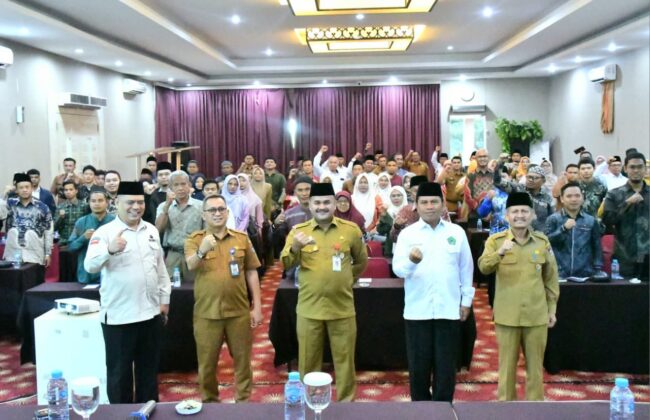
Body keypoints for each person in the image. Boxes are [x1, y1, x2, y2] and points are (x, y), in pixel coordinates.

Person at [280, 183, 368, 402]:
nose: (322, 207)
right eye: (317, 202)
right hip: (309, 308)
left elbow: (361, 262)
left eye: (327, 202)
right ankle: (309, 402)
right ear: (310, 205)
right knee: (308, 361)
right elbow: (285, 263)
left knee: (345, 361)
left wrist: (344, 279)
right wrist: (296, 247)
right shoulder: (299, 232)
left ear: (335, 204)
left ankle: (346, 404)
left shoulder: (350, 230)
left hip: (342, 307)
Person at [84, 181, 171, 403]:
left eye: (140, 202)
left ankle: (147, 412)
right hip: (119, 317)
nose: (136, 207)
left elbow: (160, 268)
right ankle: (119, 415)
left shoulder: (151, 230)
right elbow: (90, 266)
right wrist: (109, 250)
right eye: (130, 202)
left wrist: (164, 299)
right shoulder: (105, 233)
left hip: (150, 314)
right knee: (119, 375)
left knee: (148, 373)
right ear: (117, 203)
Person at [393, 182, 474, 402]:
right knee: (418, 368)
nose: (429, 206)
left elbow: (466, 269)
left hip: (449, 309)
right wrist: (411, 262)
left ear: (442, 205)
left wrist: (466, 301)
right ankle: (421, 411)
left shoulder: (456, 232)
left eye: (434, 202)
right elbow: (398, 270)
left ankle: (443, 410)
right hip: (417, 311)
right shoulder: (407, 234)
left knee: (446, 368)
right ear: (416, 206)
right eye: (425, 202)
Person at [478, 192, 559, 401]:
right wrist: (500, 253)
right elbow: (483, 267)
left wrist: (552, 309)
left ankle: (535, 410)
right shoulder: (496, 241)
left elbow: (551, 279)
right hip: (507, 315)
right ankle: (506, 410)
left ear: (532, 215)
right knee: (506, 369)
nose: (520, 215)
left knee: (536, 369)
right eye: (515, 212)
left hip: (536, 315)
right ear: (507, 216)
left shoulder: (542, 242)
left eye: (524, 211)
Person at [185, 194, 262, 402]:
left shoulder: (241, 238)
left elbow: (252, 271)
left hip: (238, 312)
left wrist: (257, 307)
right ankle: (210, 402)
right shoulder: (195, 239)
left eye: (221, 209)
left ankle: (243, 402)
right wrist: (202, 251)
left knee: (243, 362)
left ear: (227, 213)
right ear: (204, 215)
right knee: (207, 364)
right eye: (212, 210)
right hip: (207, 314)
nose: (217, 213)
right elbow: (190, 265)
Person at [602, 153, 649, 281]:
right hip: (624, 256)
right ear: (625, 168)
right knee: (624, 291)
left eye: (640, 167)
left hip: (648, 256)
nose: (636, 170)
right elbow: (607, 221)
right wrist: (627, 203)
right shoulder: (614, 194)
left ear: (645, 169)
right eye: (632, 167)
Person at [544, 182, 604, 279]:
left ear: (582, 198)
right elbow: (546, 243)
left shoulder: (591, 220)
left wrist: (598, 268)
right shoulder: (553, 219)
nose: (574, 199)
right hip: (558, 274)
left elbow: (597, 246)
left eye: (577, 196)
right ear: (562, 199)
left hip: (584, 274)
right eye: (569, 196)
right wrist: (563, 229)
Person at [155, 171, 204, 282]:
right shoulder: (163, 206)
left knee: (194, 287)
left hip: (194, 254)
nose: (180, 188)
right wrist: (167, 206)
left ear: (189, 185)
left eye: (183, 184)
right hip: (173, 254)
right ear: (170, 187)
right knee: (171, 288)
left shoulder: (200, 206)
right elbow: (158, 229)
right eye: (176, 185)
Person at [1, 173, 53, 266]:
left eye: (27, 187)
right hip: (13, 254)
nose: (24, 190)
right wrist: (5, 194)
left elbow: (48, 231)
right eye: (21, 188)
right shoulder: (10, 204)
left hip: (35, 254)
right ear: (16, 190)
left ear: (32, 188)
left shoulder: (43, 207)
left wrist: (47, 253)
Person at [68, 188, 115, 284]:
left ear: (107, 203)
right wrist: (83, 238)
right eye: (93, 201)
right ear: (89, 203)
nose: (96, 204)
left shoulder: (115, 221)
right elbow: (71, 247)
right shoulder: (81, 222)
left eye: (100, 200)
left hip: (111, 271)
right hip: (87, 273)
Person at [477, 166, 511, 235]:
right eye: (499, 178)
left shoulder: (516, 192)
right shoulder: (493, 192)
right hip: (496, 233)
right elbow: (482, 213)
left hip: (513, 233)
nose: (501, 180)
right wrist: (488, 200)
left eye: (503, 177)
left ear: (509, 177)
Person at [54, 180, 88, 246]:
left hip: (80, 241)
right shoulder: (60, 207)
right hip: (64, 241)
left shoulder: (84, 206)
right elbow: (54, 228)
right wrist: (60, 217)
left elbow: (88, 224)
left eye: (71, 189)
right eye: (66, 190)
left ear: (76, 191)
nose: (68, 192)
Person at [463, 149, 493, 223]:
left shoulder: (494, 174)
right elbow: (468, 197)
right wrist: (481, 210)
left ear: (488, 158)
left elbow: (499, 196)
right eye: (480, 157)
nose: (482, 159)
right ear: (475, 159)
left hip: (492, 217)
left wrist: (491, 213)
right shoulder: (470, 176)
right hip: (475, 216)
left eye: (485, 156)